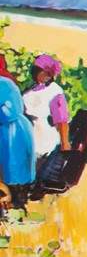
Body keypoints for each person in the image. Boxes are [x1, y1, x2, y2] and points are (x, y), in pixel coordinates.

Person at [22, 53, 70, 165]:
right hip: (27, 138)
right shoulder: (29, 92)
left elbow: (61, 120)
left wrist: (65, 144)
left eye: (40, 70)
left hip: (45, 142)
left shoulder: (54, 91)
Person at [0, 76, 35, 211]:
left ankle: (14, 202)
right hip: (8, 131)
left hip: (12, 133)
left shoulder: (5, 85)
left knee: (14, 175)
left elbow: (9, 111)